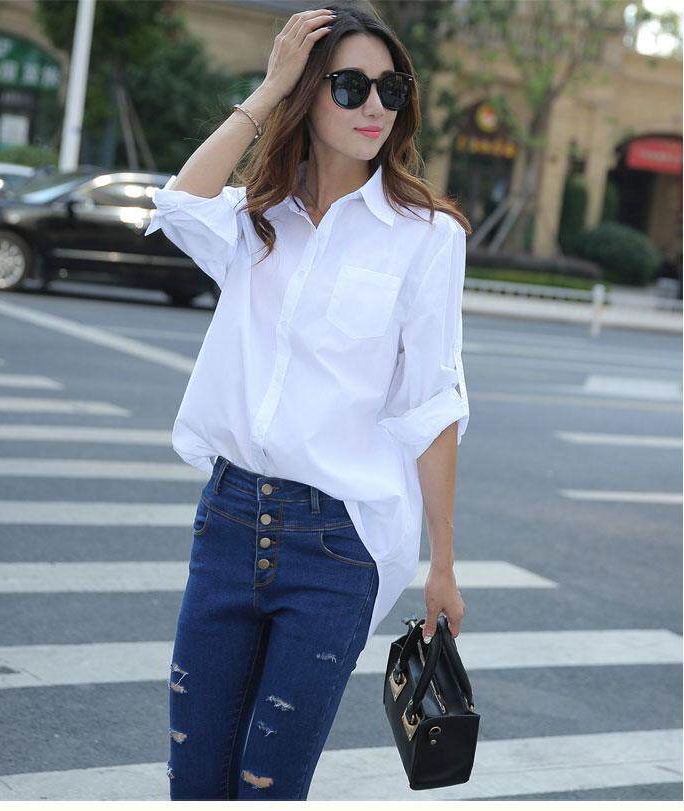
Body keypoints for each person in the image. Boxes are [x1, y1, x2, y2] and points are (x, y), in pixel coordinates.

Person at [144, 2, 472, 800]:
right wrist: (269, 88)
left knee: (267, 785)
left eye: (391, 88)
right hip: (228, 523)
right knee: (195, 779)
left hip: (334, 544)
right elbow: (178, 205)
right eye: (350, 86)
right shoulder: (259, 220)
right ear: (309, 94)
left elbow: (432, 405)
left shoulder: (427, 235)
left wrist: (442, 564)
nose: (374, 106)